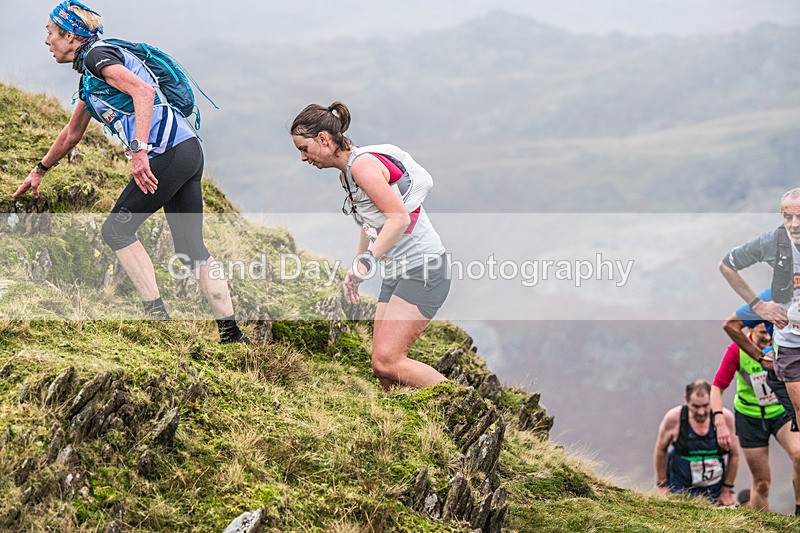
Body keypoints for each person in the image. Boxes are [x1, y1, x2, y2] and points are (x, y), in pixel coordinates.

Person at [12, 2, 248, 343]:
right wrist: (40, 170)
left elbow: (143, 91)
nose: (47, 41)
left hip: (165, 152)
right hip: (188, 149)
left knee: (116, 230)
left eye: (51, 33)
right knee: (191, 246)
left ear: (70, 35)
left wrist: (139, 151)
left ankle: (157, 319)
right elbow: (71, 134)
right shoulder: (91, 80)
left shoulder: (97, 56)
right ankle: (232, 335)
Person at [290, 101, 450, 390]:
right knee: (382, 368)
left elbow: (398, 219)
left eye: (304, 148)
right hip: (398, 272)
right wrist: (358, 267)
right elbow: (370, 223)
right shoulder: (347, 175)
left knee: (388, 361)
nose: (303, 158)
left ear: (324, 139)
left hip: (424, 269)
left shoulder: (362, 166)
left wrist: (366, 265)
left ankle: (460, 403)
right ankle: (404, 427)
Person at [720, 189, 800, 433]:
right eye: (788, 217)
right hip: (791, 343)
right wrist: (758, 305)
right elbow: (727, 265)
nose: (794, 224)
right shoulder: (773, 242)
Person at [711, 321, 800, 512]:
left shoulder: (782, 344)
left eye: (769, 333)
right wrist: (719, 421)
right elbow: (717, 386)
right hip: (749, 417)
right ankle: (762, 526)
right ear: (749, 330)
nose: (767, 338)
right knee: (761, 483)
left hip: (779, 412)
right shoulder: (737, 350)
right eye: (762, 333)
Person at [654, 380, 738, 506]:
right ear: (687, 400)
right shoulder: (674, 418)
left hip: (714, 491)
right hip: (680, 489)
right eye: (695, 406)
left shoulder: (725, 418)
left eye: (706, 405)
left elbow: (734, 454)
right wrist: (662, 485)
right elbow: (661, 450)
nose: (701, 412)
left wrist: (727, 489)